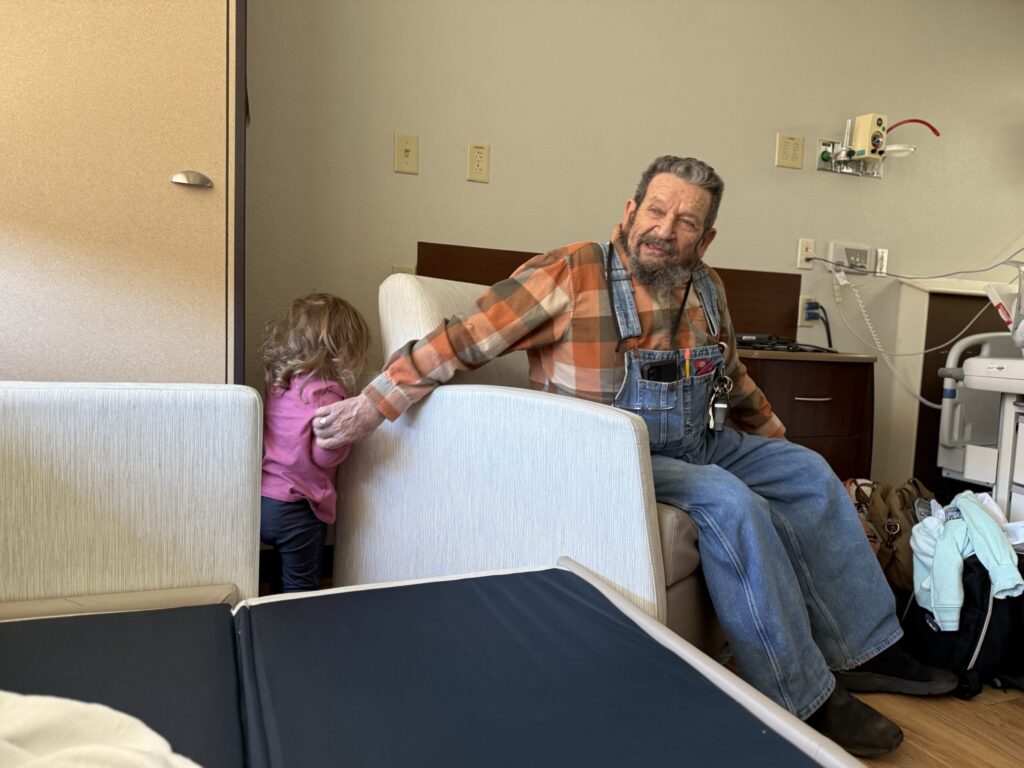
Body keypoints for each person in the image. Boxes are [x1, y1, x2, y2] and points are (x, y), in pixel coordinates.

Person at [312, 156, 956, 756]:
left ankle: (864, 649)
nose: (664, 231)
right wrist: (373, 404)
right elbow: (461, 339)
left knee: (808, 473)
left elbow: (732, 378)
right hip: (609, 455)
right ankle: (802, 698)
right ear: (629, 210)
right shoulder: (571, 272)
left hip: (695, 441)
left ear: (705, 239)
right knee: (729, 502)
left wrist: (778, 441)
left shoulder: (707, 288)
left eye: (686, 222)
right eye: (655, 210)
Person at [259, 293, 370, 592]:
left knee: (274, 574)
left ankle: (271, 613)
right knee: (301, 585)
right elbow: (323, 456)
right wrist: (348, 438)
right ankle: (298, 619)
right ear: (342, 350)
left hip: (265, 498)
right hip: (300, 506)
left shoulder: (278, 384)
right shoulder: (328, 394)